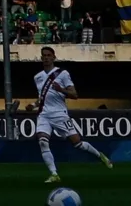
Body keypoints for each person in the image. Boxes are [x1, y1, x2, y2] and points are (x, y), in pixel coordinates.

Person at [33, 46, 112, 182]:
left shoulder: (62, 74)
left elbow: (75, 95)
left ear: (54, 57)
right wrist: (34, 105)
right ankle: (54, 174)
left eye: (48, 55)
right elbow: (41, 98)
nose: (46, 58)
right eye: (44, 55)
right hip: (44, 114)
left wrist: (61, 89)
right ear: (41, 58)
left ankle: (100, 155)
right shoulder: (38, 77)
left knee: (77, 143)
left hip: (60, 114)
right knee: (42, 141)